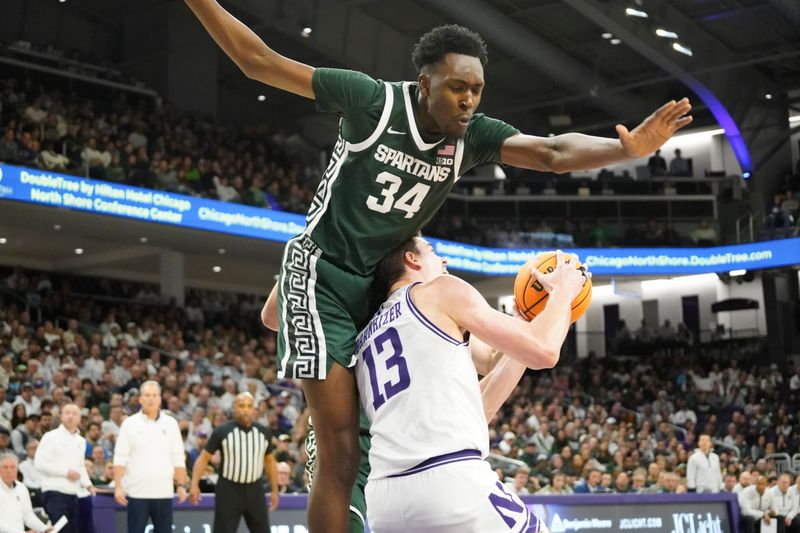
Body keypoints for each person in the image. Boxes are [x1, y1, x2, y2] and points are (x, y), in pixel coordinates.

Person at [185, 3, 692, 530]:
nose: (469, 99)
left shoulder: (470, 137)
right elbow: (255, 59)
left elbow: (551, 152)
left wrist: (623, 148)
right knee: (339, 453)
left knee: (373, 437)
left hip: (379, 292)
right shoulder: (371, 100)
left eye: (476, 88)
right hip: (324, 273)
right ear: (423, 83)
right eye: (457, 87)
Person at [353, 238, 587, 531]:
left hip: (384, 499)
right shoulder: (439, 291)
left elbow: (490, 370)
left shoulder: (366, 335)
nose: (444, 261)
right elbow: (544, 350)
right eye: (432, 251)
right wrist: (563, 292)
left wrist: (527, 322)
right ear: (412, 259)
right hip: (448, 480)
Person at [189, 392, 279, 532]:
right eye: (241, 405)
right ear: (234, 408)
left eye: (249, 406)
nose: (245, 409)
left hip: (255, 489)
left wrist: (275, 490)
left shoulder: (264, 432)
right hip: (228, 490)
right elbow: (203, 458)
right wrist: (194, 484)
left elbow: (270, 462)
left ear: (254, 409)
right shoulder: (222, 431)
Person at [113, 381, 187, 533]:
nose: (150, 399)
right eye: (147, 395)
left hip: (164, 492)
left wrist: (181, 485)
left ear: (160, 399)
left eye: (154, 395)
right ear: (140, 399)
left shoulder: (171, 423)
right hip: (137, 493)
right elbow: (120, 458)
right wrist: (118, 487)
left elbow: (178, 457)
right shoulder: (129, 424)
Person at [35, 404, 94, 533]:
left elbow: (80, 466)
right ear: (61, 416)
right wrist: (65, 472)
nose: (70, 416)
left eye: (74, 413)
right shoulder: (50, 436)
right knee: (61, 531)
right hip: (54, 492)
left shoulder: (81, 441)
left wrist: (89, 485)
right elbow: (39, 463)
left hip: (73, 494)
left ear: (80, 418)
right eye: (67, 413)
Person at [0, 451, 53, 532]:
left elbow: (28, 515)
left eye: (12, 467)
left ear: (17, 469)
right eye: (5, 467)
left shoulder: (22, 488)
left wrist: (44, 528)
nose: (9, 471)